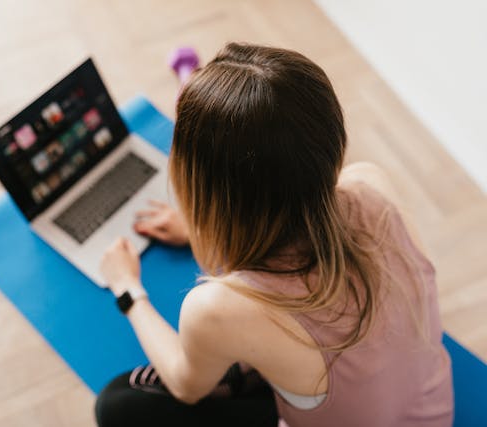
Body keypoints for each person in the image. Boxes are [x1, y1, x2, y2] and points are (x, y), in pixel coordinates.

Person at [95, 42, 454, 427]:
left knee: (117, 404)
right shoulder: (371, 184)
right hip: (430, 411)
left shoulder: (216, 309)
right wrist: (208, 227)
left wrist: (127, 289)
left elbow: (186, 386)